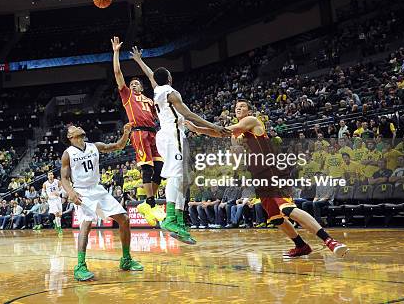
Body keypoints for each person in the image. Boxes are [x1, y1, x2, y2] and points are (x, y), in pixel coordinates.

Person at [187, 100, 348, 258]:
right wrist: (196, 129)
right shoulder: (236, 135)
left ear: (248, 111)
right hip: (258, 176)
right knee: (276, 217)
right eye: (236, 107)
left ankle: (330, 241)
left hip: (271, 170)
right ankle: (301, 246)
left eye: (242, 106)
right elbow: (219, 133)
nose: (238, 108)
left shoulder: (251, 121)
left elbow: (222, 129)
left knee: (286, 208)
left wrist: (199, 123)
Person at [132, 46, 227, 244]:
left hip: (167, 136)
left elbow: (151, 75)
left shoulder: (157, 89)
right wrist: (214, 126)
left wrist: (140, 61)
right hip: (172, 135)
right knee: (177, 176)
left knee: (186, 178)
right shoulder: (171, 93)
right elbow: (189, 115)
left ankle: (179, 220)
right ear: (170, 79)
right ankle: (171, 218)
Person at [60, 122, 143, 281]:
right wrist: (71, 192)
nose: (79, 127)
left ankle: (126, 260)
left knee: (124, 219)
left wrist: (125, 133)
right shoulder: (68, 154)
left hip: (97, 190)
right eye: (74, 128)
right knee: (87, 223)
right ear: (70, 136)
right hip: (82, 192)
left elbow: (119, 146)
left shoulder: (94, 146)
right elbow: (64, 178)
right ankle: (80, 266)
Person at [112, 37, 166, 227]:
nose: (133, 85)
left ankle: (149, 202)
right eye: (131, 83)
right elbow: (118, 73)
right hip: (139, 133)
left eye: (136, 83)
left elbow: (154, 79)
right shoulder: (127, 96)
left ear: (141, 87)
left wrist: (139, 60)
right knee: (147, 168)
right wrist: (116, 52)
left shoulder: (150, 100)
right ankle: (150, 203)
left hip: (153, 133)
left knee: (161, 169)